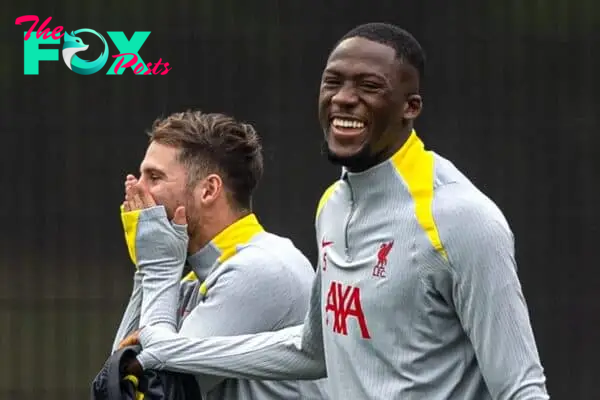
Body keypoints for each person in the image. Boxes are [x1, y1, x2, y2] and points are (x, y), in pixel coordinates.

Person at [121, 23, 550, 399]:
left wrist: (160, 316)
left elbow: (522, 387)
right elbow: (312, 350)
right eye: (333, 83)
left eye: (369, 86)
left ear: (411, 107)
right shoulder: (333, 205)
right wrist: (165, 348)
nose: (344, 99)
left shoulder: (460, 217)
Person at [111, 110, 328, 399]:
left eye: (154, 177)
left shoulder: (260, 269)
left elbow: (155, 392)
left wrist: (157, 268)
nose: (138, 189)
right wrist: (147, 267)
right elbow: (114, 383)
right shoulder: (189, 275)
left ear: (209, 190)